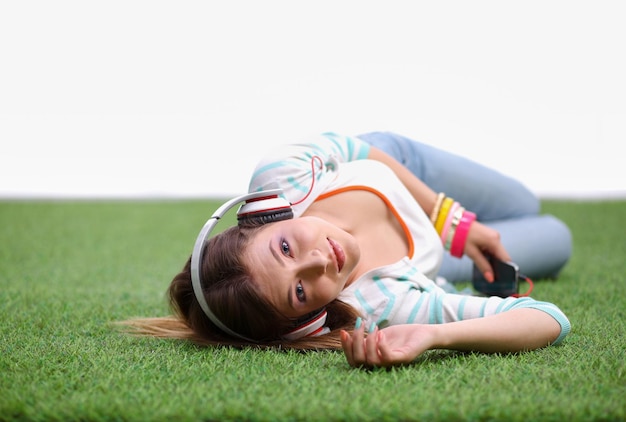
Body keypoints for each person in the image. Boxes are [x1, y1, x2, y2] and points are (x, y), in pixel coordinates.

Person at [124, 131, 572, 368]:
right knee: (556, 238)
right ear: (307, 321)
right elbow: (549, 319)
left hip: (401, 166)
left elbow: (358, 148)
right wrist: (437, 336)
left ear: (264, 213)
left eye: (284, 247)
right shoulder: (381, 302)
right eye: (299, 292)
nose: (320, 262)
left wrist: (449, 217)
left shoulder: (283, 176)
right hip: (435, 261)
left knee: (523, 202)